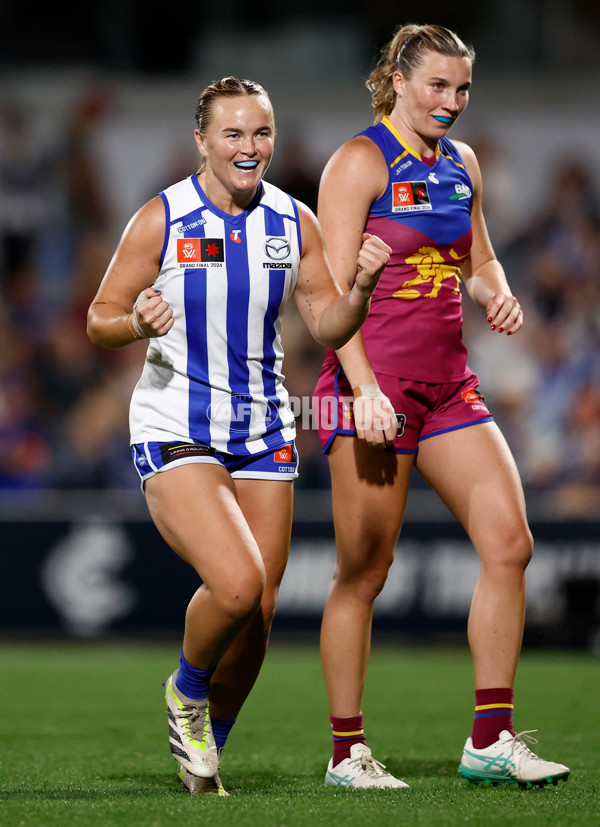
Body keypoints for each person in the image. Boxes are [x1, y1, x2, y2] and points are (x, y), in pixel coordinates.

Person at [87, 76, 391, 796]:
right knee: (236, 582)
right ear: (202, 140)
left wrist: (361, 292)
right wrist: (135, 323)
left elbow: (327, 326)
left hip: (262, 427)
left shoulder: (294, 221)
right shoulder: (162, 218)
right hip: (175, 423)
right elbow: (99, 317)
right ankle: (187, 692)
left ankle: (204, 752)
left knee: (258, 612)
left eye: (261, 133)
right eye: (233, 134)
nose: (249, 148)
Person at [313, 24, 570, 789]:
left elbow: (476, 256)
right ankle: (346, 751)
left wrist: (498, 292)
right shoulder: (358, 162)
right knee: (364, 571)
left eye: (462, 89)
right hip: (364, 390)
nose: (452, 103)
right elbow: (328, 298)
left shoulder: (461, 164)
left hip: (448, 385)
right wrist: (362, 392)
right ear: (397, 78)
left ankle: (490, 736)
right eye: (437, 86)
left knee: (510, 543)